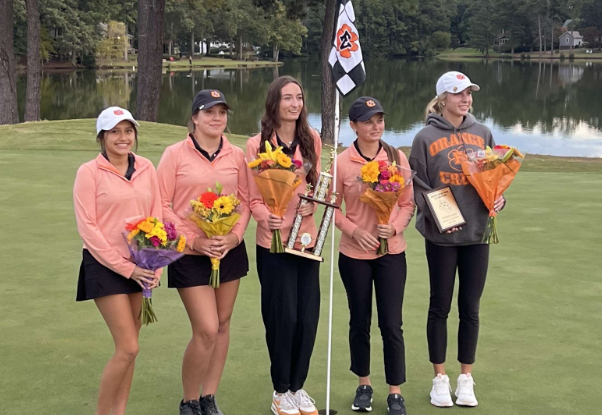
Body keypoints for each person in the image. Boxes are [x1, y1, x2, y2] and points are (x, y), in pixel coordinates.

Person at [408, 71, 506, 408]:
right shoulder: (424, 138)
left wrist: (499, 199)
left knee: (471, 307)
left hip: (477, 232)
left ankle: (466, 378)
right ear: (442, 99)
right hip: (442, 235)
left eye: (469, 93)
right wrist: (437, 215)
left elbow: (494, 179)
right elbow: (419, 186)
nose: (465, 99)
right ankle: (440, 379)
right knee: (440, 305)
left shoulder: (483, 133)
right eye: (458, 93)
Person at [157, 89, 251, 415]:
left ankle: (209, 397)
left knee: (223, 323)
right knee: (207, 328)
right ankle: (189, 400)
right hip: (188, 252)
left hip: (228, 250)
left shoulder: (237, 155)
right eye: (209, 112)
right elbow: (162, 205)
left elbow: (245, 202)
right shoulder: (174, 155)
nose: (217, 119)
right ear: (194, 117)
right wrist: (193, 241)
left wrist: (235, 237)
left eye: (222, 112)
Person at [74, 107, 162, 415]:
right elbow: (89, 229)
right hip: (104, 265)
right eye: (114, 132)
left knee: (129, 351)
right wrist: (128, 268)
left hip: (142, 263)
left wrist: (155, 265)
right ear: (101, 137)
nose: (123, 138)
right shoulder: (89, 172)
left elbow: (157, 216)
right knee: (129, 347)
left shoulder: (147, 167)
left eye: (128, 131)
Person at [333, 97, 415, 415]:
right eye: (368, 121)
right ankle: (363, 385)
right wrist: (354, 231)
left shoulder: (396, 157)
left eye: (379, 119)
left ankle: (395, 391)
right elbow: (333, 209)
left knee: (392, 324)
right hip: (354, 253)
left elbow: (408, 203)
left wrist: (393, 229)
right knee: (360, 321)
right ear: (353, 125)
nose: (375, 126)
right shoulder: (342, 162)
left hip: (391, 252)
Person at [246, 76, 322, 415]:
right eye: (287, 98)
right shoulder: (257, 143)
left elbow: (317, 186)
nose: (294, 104)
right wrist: (266, 217)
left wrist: (312, 203)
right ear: (274, 102)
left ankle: (297, 387)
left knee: (307, 316)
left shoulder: (312, 139)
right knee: (283, 316)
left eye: (299, 98)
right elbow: (250, 196)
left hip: (306, 240)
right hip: (273, 241)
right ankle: (280, 390)